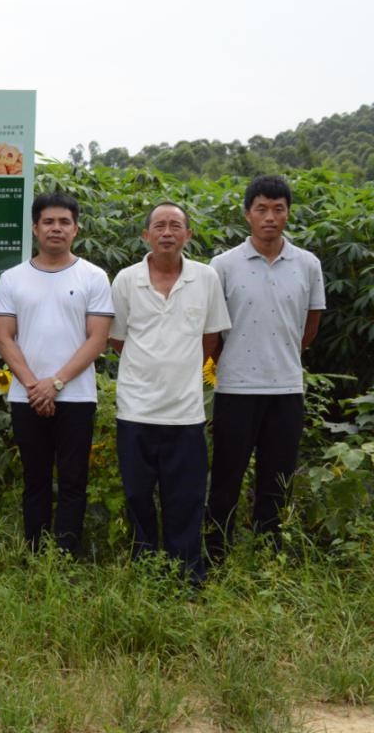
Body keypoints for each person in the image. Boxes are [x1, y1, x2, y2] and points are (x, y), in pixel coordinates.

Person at [205, 176, 326, 563]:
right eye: (261, 209)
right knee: (225, 478)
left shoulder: (308, 264)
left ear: (288, 213)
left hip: (286, 389)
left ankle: (268, 557)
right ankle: (215, 555)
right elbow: (212, 329)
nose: (270, 217)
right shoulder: (222, 265)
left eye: (278, 209)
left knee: (277, 481)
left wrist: (282, 353)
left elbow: (309, 327)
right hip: (235, 389)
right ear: (247, 214)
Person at [109, 202, 230, 583]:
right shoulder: (126, 280)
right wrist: (151, 368)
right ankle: (146, 570)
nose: (167, 232)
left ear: (188, 235)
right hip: (135, 409)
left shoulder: (206, 278)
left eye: (175, 225)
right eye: (158, 226)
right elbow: (117, 340)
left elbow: (211, 337)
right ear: (145, 235)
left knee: (186, 498)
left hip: (186, 412)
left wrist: (179, 370)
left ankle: (188, 574)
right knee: (138, 497)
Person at [0, 192, 114, 554]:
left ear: (76, 229)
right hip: (25, 396)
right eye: (49, 221)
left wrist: (56, 383)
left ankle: (65, 557)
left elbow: (98, 339)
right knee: (35, 479)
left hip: (76, 396)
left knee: (74, 480)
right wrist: (35, 386)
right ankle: (34, 553)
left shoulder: (94, 276)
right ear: (35, 228)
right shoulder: (12, 278)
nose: (56, 228)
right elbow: (4, 337)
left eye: (64, 222)